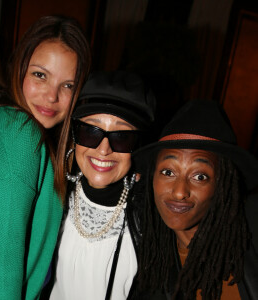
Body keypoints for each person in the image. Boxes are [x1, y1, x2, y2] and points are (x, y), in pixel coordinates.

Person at [0, 15, 91, 299]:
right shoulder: (19, 134)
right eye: (40, 75)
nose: (52, 96)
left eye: (67, 85)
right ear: (19, 69)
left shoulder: (15, 124)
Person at [40, 70, 156, 300]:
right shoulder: (52, 191)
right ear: (74, 135)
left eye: (122, 136)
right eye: (90, 131)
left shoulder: (151, 216)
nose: (104, 149)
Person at [131, 100, 258, 299]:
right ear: (151, 178)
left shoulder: (250, 238)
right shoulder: (146, 265)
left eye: (199, 176)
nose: (180, 192)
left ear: (223, 184)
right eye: (168, 172)